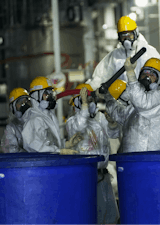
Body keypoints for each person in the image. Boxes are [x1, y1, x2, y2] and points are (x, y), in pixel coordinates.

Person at [66, 84, 120, 224]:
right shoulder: (72, 122)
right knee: (91, 216)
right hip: (86, 177)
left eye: (91, 100)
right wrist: (84, 105)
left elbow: (114, 134)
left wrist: (112, 123)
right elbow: (80, 125)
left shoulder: (99, 119)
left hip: (103, 175)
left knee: (110, 217)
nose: (90, 104)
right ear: (77, 103)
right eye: (86, 100)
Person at [99, 57, 160, 153]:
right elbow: (120, 114)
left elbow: (142, 102)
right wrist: (106, 98)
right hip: (131, 160)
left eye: (153, 74)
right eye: (145, 72)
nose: (147, 76)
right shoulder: (136, 103)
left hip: (151, 160)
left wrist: (130, 73)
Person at [85, 15, 160, 91]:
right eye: (123, 37)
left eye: (129, 36)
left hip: (145, 101)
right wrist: (87, 89)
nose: (126, 40)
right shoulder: (115, 56)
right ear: (119, 37)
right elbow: (99, 77)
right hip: (122, 102)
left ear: (136, 33)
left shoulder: (148, 52)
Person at [22, 76, 77, 154]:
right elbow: (34, 146)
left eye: (51, 94)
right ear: (36, 96)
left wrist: (66, 144)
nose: (51, 97)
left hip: (51, 162)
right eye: (46, 94)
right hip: (42, 165)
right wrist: (59, 151)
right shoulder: (34, 120)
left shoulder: (49, 117)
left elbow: (51, 143)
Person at [0, 87, 32, 153]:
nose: (24, 105)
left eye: (26, 101)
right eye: (20, 102)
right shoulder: (11, 128)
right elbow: (11, 150)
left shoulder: (36, 122)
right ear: (13, 107)